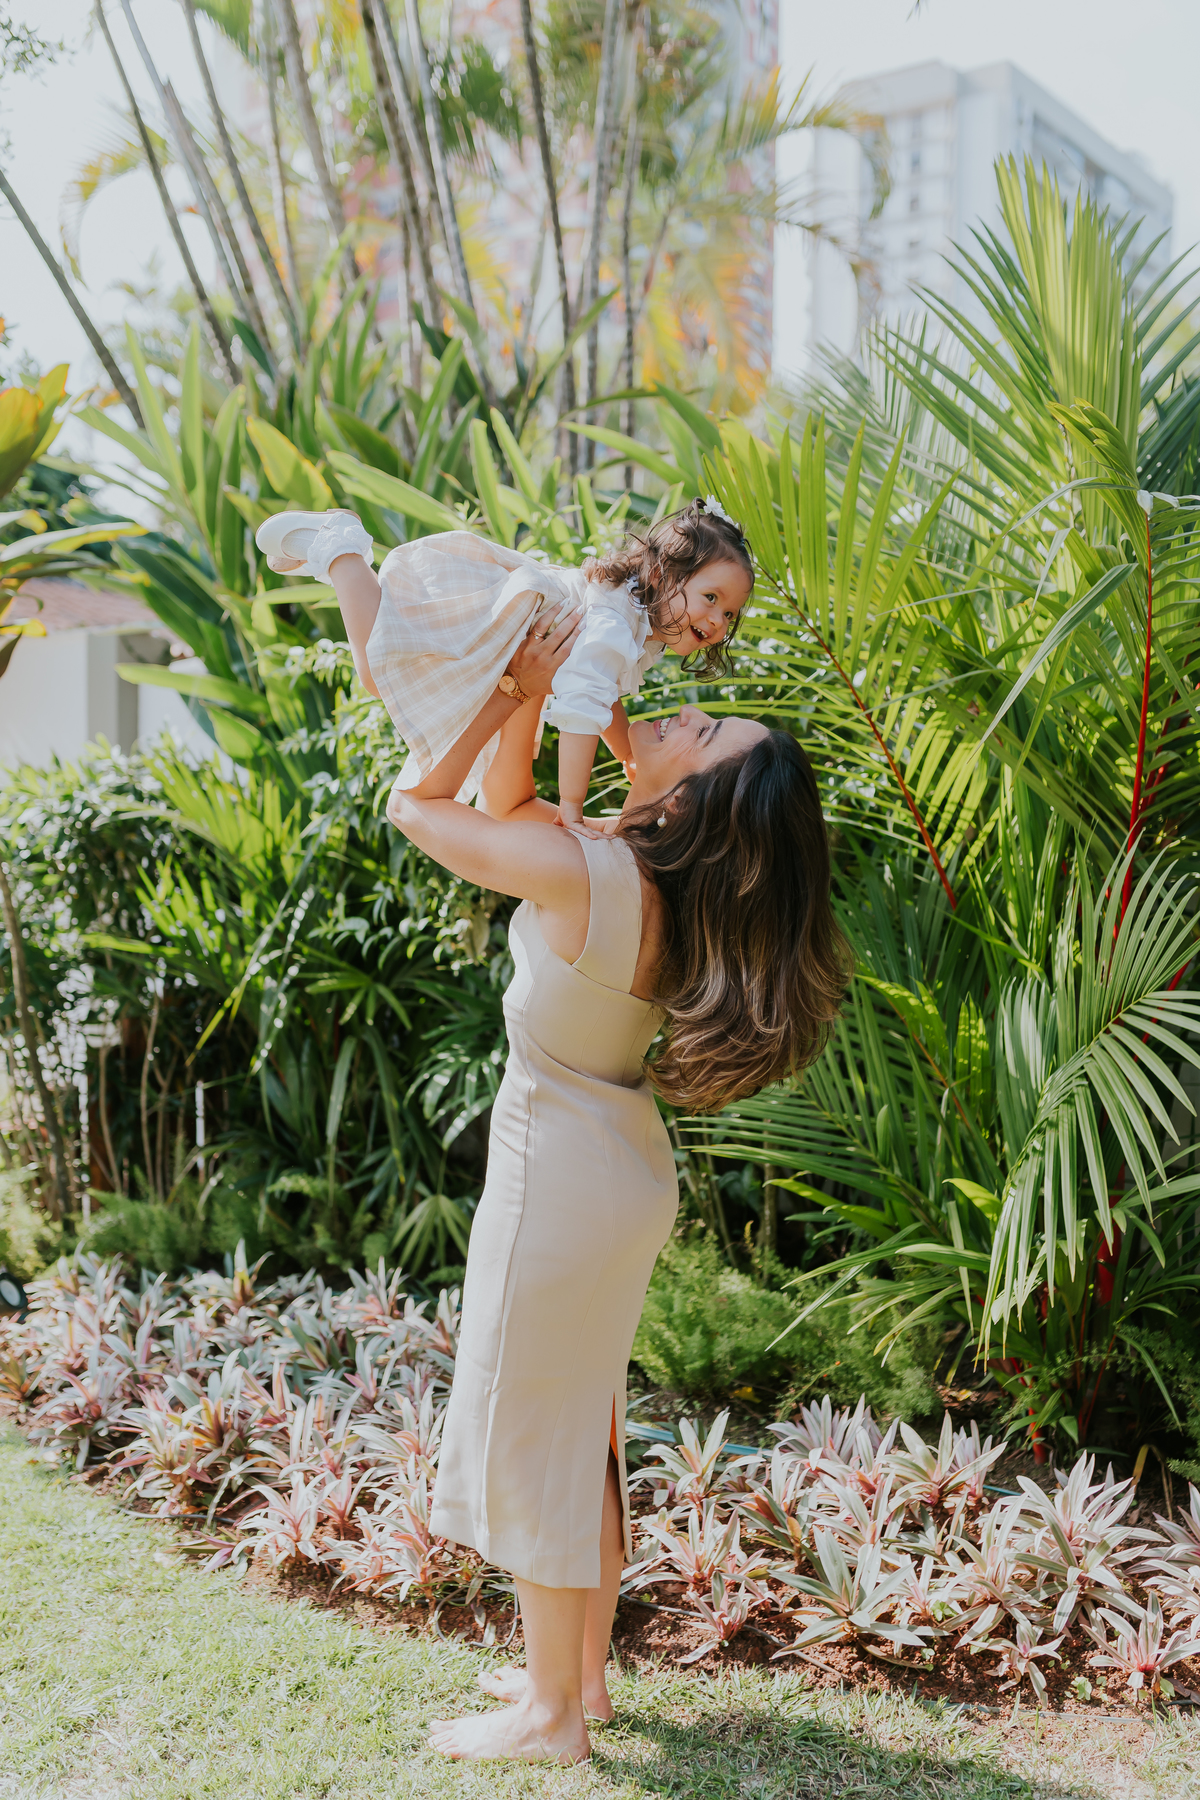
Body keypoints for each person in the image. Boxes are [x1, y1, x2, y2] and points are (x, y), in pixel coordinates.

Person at [315, 538, 848, 1765]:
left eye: (706, 731)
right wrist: (552, 699)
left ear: (700, 801)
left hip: (563, 1175)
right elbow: (516, 810)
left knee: (545, 1432)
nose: (690, 705)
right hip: (610, 1167)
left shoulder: (602, 868)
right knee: (582, 1429)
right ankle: (578, 1683)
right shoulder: (646, 874)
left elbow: (419, 807)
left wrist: (514, 691)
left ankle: (553, 1715)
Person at [253, 498, 753, 824]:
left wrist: (630, 755)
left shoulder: (637, 625)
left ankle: (336, 555)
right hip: (507, 619)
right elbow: (582, 709)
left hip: (516, 632)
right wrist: (573, 810)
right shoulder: (617, 624)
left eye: (729, 612)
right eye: (711, 597)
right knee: (374, 670)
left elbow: (604, 694)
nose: (717, 620)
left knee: (393, 652)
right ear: (666, 573)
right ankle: (343, 550)